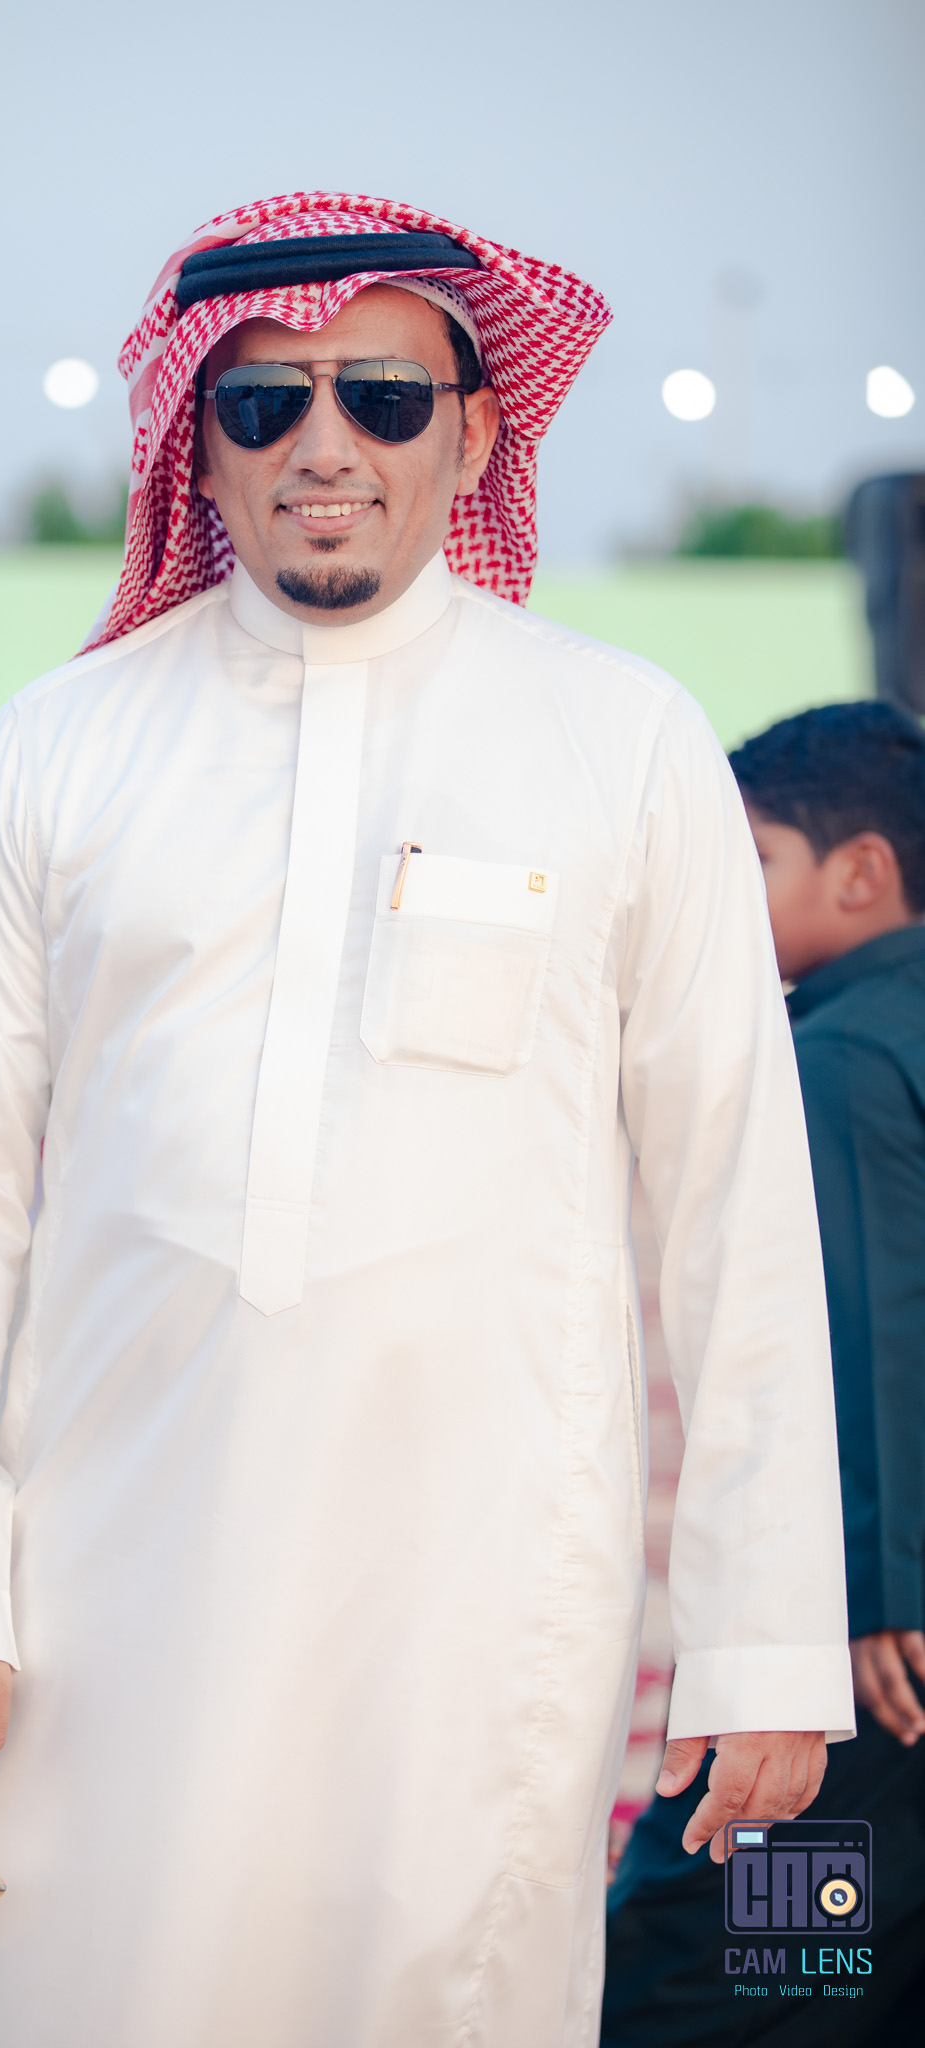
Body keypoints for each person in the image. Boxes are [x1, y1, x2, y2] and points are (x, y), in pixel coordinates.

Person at [0, 194, 852, 2048]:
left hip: (477, 1589)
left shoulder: (620, 741)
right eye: (267, 403)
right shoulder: (58, 749)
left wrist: (763, 1637)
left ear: (474, 433)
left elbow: (735, 1201)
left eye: (384, 398)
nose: (326, 445)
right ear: (195, 443)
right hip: (92, 1595)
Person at [602, 702, 925, 2045]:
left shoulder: (839, 1056)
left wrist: (867, 1595)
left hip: (874, 1645)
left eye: (754, 860)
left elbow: (865, 1326)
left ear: (859, 873)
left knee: (719, 1957)